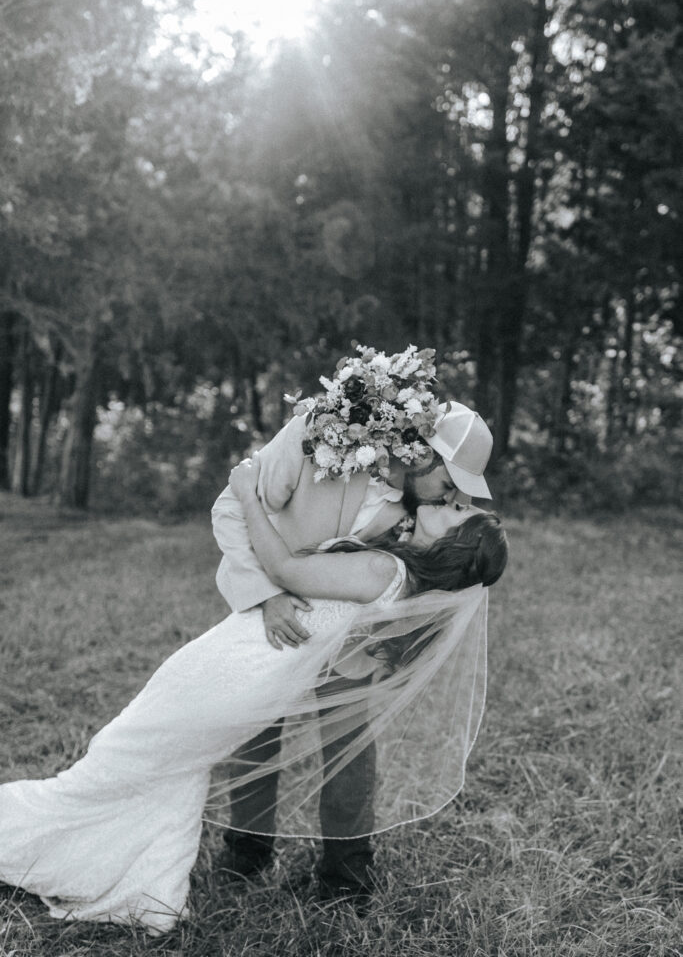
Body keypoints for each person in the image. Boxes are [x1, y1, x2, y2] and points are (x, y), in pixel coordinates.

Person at [0, 458, 507, 935]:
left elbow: (286, 571)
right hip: (239, 676)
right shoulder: (400, 570)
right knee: (167, 771)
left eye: (460, 511)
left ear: (455, 546)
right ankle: (145, 888)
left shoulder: (384, 572)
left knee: (109, 762)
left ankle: (24, 840)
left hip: (227, 676)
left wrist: (245, 491)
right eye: (456, 498)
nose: (454, 500)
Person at [211, 396, 496, 900]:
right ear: (420, 454)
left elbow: (449, 561)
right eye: (450, 485)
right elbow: (233, 506)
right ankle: (247, 850)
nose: (451, 498)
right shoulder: (313, 435)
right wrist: (266, 596)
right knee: (255, 730)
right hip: (275, 614)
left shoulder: (419, 509)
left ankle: (347, 874)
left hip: (346, 639)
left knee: (349, 744)